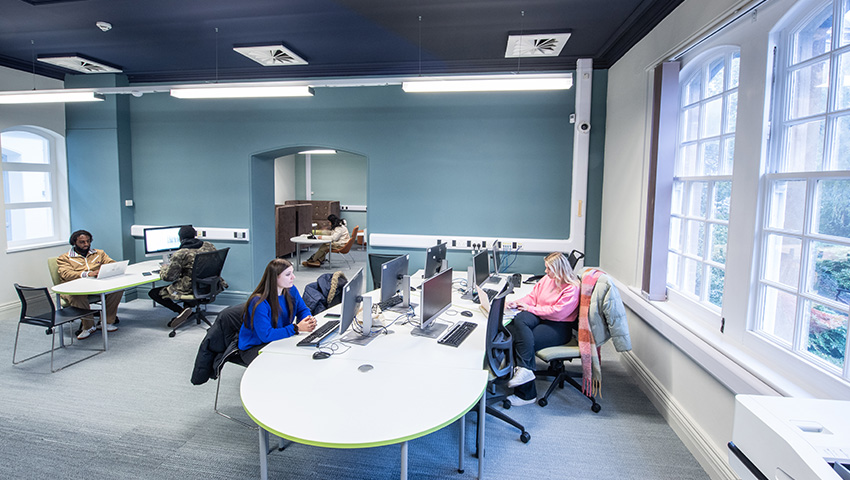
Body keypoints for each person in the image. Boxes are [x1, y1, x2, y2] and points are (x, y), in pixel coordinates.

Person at [504, 252, 581, 406]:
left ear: (559, 270)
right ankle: (524, 370)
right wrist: (517, 303)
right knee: (516, 322)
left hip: (558, 326)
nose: (545, 272)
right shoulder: (548, 279)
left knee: (521, 341)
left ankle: (526, 394)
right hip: (541, 316)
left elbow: (557, 312)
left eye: (549, 269)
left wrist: (531, 309)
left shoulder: (572, 288)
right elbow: (533, 297)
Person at [238, 258, 318, 364]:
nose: (293, 277)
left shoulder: (291, 290)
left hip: (278, 340)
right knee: (289, 363)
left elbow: (302, 309)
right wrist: (296, 328)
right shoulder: (258, 302)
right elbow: (266, 335)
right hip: (255, 347)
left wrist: (308, 320)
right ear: (275, 277)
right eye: (288, 274)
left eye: (292, 273)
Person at [56, 230, 124, 340]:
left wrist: (106, 269)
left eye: (88, 241)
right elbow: (66, 274)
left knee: (117, 290)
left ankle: (106, 322)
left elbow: (112, 263)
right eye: (82, 242)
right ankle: (88, 326)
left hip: (96, 285)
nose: (86, 244)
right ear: (74, 243)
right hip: (73, 288)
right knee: (77, 296)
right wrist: (88, 274)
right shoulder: (64, 258)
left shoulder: (99, 253)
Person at [148, 225, 220, 328]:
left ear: (180, 238)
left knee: (154, 293)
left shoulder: (180, 253)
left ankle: (182, 311)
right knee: (184, 282)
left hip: (189, 288)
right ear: (195, 235)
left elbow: (169, 277)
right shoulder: (209, 246)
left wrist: (163, 268)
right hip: (210, 285)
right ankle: (188, 307)